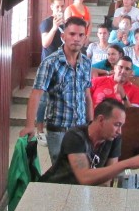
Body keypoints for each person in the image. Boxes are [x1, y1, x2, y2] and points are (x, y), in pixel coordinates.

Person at [24, 16, 94, 162]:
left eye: (81, 35)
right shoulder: (51, 62)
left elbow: (87, 96)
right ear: (63, 37)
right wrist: (31, 125)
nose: (76, 38)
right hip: (58, 130)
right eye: (72, 34)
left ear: (85, 38)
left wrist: (91, 124)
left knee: (80, 173)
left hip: (80, 130)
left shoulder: (86, 63)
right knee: (60, 174)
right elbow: (36, 94)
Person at [40, 99, 139, 185]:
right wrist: (127, 164)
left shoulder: (113, 138)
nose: (120, 131)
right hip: (56, 190)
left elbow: (108, 177)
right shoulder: (75, 136)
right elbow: (84, 177)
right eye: (117, 124)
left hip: (80, 195)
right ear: (101, 120)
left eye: (121, 126)